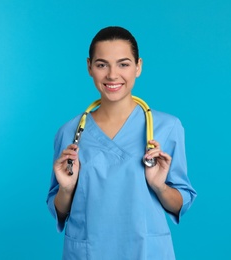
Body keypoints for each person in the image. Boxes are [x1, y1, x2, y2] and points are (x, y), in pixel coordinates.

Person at [46, 26, 196, 260]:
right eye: (102, 64)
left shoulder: (167, 127)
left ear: (138, 67)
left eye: (123, 64)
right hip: (88, 253)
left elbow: (179, 205)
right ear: (89, 67)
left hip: (146, 252)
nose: (112, 75)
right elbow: (60, 211)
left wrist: (159, 186)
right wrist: (66, 188)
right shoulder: (69, 133)